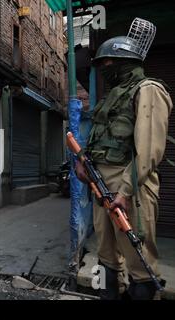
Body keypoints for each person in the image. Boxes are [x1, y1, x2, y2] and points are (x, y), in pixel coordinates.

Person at [76, 19, 173, 300]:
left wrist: (125, 191)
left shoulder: (148, 89)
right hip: (100, 185)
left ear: (124, 62)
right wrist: (83, 160)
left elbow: (150, 150)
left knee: (138, 258)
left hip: (131, 186)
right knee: (106, 254)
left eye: (108, 64)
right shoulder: (112, 97)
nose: (104, 70)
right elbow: (97, 137)